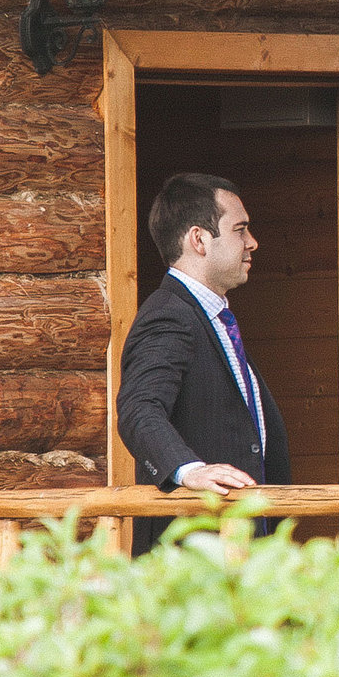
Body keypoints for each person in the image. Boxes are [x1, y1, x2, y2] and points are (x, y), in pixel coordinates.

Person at [116, 172, 289, 553]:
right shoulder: (169, 316)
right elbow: (139, 408)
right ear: (199, 239)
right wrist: (189, 470)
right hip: (193, 562)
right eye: (240, 230)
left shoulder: (210, 317)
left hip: (240, 552)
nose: (252, 243)